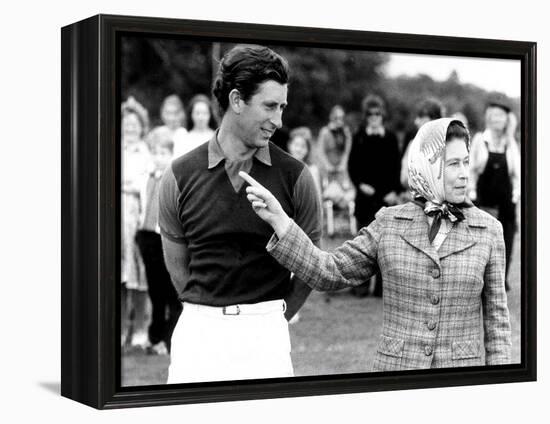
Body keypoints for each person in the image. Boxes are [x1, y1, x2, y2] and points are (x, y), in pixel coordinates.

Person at [241, 118, 512, 371]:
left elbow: (497, 325)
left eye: (466, 162)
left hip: (460, 385)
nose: (465, 173)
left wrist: (498, 387)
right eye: (453, 164)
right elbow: (329, 272)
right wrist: (281, 222)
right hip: (397, 376)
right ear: (428, 164)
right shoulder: (389, 223)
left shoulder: (489, 230)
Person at [158, 44, 322, 383]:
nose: (279, 120)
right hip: (197, 336)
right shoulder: (177, 176)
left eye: (283, 107)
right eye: (270, 106)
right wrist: (209, 311)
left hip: (267, 338)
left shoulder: (297, 177)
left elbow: (310, 265)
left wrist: (271, 317)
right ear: (236, 100)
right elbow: (178, 269)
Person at [347, 95, 401, 297]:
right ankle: (360, 287)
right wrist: (360, 184)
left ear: (382, 115)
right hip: (365, 197)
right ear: (366, 116)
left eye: (377, 114)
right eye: (370, 114)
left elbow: (396, 165)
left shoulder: (391, 137)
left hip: (385, 198)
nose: (374, 118)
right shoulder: (359, 135)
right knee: (362, 243)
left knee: (384, 245)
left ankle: (381, 289)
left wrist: (394, 191)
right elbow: (352, 165)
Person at [135, 136, 183, 355]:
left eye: (163, 153)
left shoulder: (174, 179)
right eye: (155, 152)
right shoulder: (146, 177)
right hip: (147, 237)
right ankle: (154, 337)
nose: (159, 157)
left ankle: (169, 338)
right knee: (154, 291)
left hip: (165, 238)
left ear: (170, 155)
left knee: (169, 291)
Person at [469, 97, 520, 289]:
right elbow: (471, 169)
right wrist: (472, 192)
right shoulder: (480, 140)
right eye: (495, 116)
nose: (498, 120)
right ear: (489, 118)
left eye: (502, 116)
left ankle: (499, 283)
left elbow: (517, 174)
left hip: (506, 202)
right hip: (484, 201)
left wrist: (515, 195)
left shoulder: (511, 143)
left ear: (507, 120)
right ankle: (479, 283)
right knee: (482, 245)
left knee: (505, 243)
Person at [121, 96, 151, 348]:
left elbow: (145, 184)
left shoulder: (146, 152)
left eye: (134, 124)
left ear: (142, 126)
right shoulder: (111, 147)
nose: (130, 128)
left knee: (138, 273)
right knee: (117, 275)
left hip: (137, 217)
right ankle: (120, 329)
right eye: (126, 124)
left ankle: (141, 328)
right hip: (114, 219)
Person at [316, 105, 356, 235]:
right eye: (337, 117)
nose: (339, 120)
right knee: (328, 192)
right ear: (332, 117)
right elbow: (320, 151)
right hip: (328, 171)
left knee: (349, 192)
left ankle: (343, 220)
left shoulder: (345, 132)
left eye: (341, 117)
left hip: (341, 170)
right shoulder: (325, 132)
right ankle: (332, 222)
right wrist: (327, 165)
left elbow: (347, 151)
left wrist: (343, 164)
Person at [400, 98, 445, 190]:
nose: (416, 121)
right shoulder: (412, 145)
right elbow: (404, 179)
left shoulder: (448, 145)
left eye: (421, 117)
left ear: (434, 119)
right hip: (416, 200)